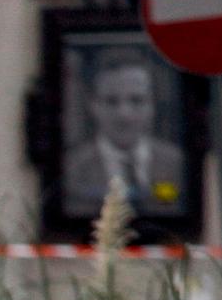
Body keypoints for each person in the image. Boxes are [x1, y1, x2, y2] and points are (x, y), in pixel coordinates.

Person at [61, 50, 186, 217]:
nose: (124, 115)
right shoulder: (71, 168)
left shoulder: (177, 164)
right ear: (93, 104)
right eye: (111, 101)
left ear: (153, 104)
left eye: (136, 100)